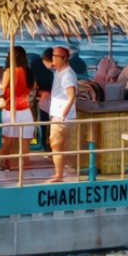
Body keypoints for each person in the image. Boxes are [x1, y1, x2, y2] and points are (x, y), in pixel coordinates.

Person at [45, 45, 81, 183]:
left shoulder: (67, 74)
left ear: (64, 58)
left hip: (62, 117)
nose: (53, 59)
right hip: (60, 115)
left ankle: (59, 175)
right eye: (52, 56)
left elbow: (72, 95)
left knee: (56, 144)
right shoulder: (59, 72)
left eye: (56, 56)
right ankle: (62, 171)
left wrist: (63, 113)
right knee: (60, 145)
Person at [0, 45, 35, 170]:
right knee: (25, 144)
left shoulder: (9, 72)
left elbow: (3, 91)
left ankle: (3, 163)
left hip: (11, 109)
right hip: (25, 110)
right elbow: (30, 89)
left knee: (7, 141)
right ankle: (26, 166)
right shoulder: (28, 72)